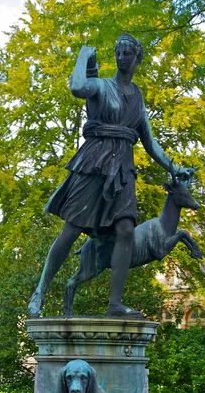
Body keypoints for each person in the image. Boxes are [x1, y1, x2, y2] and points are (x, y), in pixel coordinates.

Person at [28, 34, 194, 318]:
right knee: (72, 229)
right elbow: (78, 86)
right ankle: (40, 293)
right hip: (94, 162)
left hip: (123, 170)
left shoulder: (137, 96)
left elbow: (150, 142)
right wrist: (83, 55)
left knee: (127, 230)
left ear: (137, 57)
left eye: (127, 52)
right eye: (118, 52)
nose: (121, 57)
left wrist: (173, 167)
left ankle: (114, 305)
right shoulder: (101, 86)